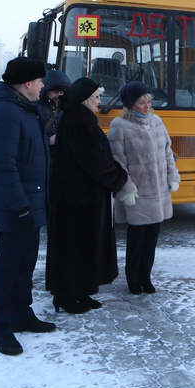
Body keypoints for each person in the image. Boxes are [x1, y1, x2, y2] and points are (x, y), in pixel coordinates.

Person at [0, 58, 55, 356]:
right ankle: (1, 329)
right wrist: (20, 207)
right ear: (28, 83)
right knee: (6, 267)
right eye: (40, 81)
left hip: (31, 203)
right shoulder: (5, 113)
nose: (43, 86)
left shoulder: (27, 111)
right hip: (14, 207)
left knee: (25, 264)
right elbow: (3, 165)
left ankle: (22, 315)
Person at [46, 78, 128, 314]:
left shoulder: (77, 118)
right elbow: (95, 161)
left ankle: (79, 291)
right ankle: (66, 295)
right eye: (96, 98)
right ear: (84, 99)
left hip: (80, 195)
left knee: (82, 246)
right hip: (79, 198)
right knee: (76, 246)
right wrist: (118, 177)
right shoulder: (79, 121)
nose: (99, 103)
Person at [108, 82, 180, 294]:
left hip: (158, 193)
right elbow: (117, 162)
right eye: (141, 102)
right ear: (130, 104)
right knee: (137, 239)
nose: (147, 106)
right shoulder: (119, 126)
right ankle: (133, 278)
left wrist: (172, 175)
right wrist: (126, 189)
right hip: (138, 194)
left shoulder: (157, 122)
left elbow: (168, 152)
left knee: (152, 238)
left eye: (149, 101)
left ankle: (146, 276)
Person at [36, 69, 70, 157]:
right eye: (55, 92)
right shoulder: (37, 108)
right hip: (44, 155)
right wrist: (48, 140)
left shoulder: (65, 108)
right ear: (45, 90)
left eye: (62, 92)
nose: (59, 95)